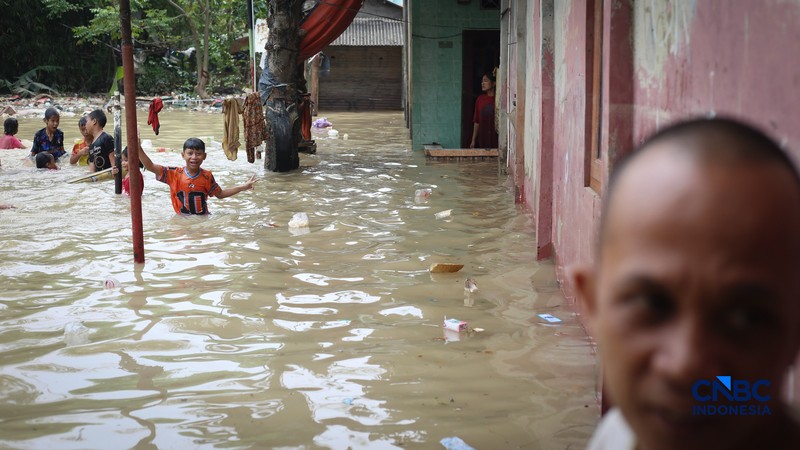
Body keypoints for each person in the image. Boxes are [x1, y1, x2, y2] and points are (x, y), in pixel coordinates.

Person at [574, 118, 800, 450]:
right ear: (593, 303)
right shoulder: (617, 435)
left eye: (747, 318)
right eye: (653, 304)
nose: (686, 366)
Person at [138, 137, 257, 215]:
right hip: (182, 221)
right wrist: (138, 148)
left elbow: (220, 194)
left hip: (203, 219)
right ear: (183, 155)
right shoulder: (173, 174)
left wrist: (243, 187)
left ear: (204, 156)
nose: (194, 157)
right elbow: (150, 166)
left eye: (198, 154)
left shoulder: (207, 176)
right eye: (190, 153)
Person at [469, 69, 499, 149]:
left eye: (485, 81)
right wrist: (473, 140)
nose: (482, 83)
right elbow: (476, 121)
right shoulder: (480, 99)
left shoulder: (499, 99)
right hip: (483, 138)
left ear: (494, 83)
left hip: (497, 140)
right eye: (482, 81)